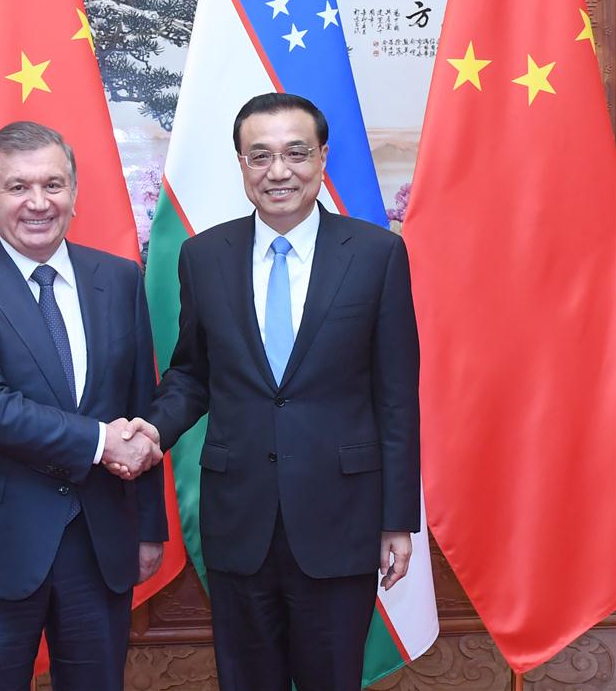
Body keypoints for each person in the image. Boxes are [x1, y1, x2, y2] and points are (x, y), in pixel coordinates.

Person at [124, 93, 420, 690]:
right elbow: (191, 374)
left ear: (322, 158)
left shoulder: (376, 254)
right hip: (240, 518)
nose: (277, 171)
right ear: (241, 164)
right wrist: (153, 429)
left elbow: (396, 396)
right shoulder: (204, 256)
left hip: (342, 517)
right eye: (259, 155)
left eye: (295, 153)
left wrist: (396, 520)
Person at [0, 121, 167, 691]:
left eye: (53, 185)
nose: (38, 203)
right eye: (18, 187)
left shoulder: (120, 278)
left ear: (74, 194)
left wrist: (148, 527)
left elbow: (139, 406)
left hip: (100, 542)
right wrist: (103, 442)